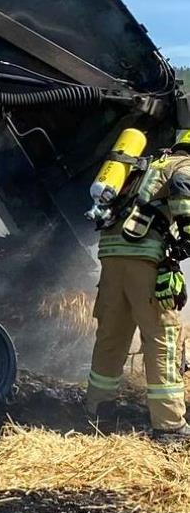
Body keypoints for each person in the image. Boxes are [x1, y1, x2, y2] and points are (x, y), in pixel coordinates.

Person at [86, 130, 190, 440]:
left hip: (111, 255)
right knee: (162, 339)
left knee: (111, 335)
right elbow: (183, 188)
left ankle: (98, 410)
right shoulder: (183, 165)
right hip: (143, 259)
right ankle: (169, 425)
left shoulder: (146, 165)